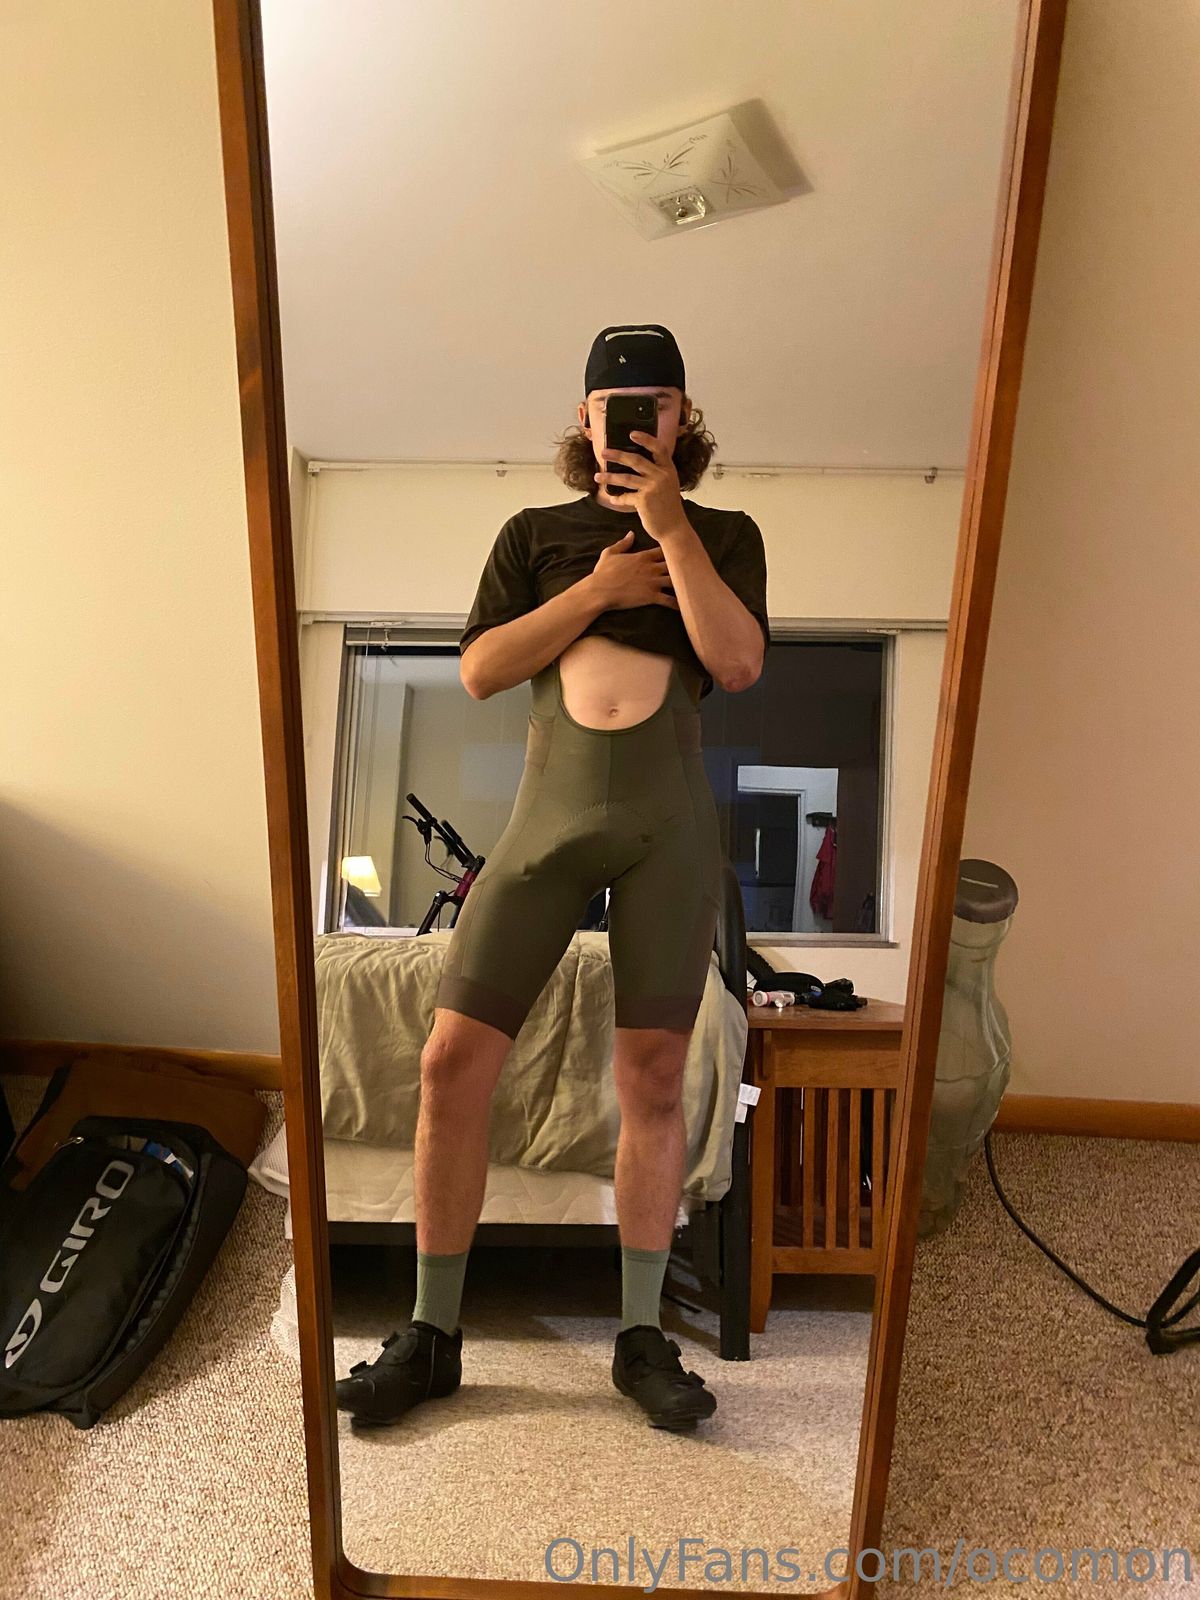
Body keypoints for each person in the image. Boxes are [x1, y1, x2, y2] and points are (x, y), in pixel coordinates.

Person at [335, 324, 769, 1432]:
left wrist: (670, 530)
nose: (638, 419)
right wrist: (597, 588)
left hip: (669, 830)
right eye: (619, 404)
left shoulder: (722, 534)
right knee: (448, 1062)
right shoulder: (534, 533)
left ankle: (640, 1335)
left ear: (683, 416)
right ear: (585, 419)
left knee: (656, 1079)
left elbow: (736, 661)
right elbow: (481, 670)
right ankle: (433, 1333)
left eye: (658, 402)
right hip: (546, 821)